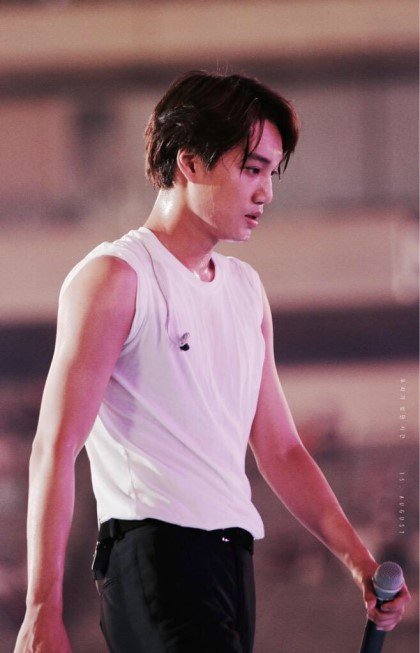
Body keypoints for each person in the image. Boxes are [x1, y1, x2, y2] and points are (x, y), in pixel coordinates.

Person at [14, 70, 410, 653]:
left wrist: (358, 560)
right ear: (190, 162)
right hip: (154, 555)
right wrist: (41, 607)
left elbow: (281, 449)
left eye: (272, 173)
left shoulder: (246, 290)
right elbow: (55, 445)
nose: (266, 192)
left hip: (231, 560)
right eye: (251, 169)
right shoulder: (116, 279)